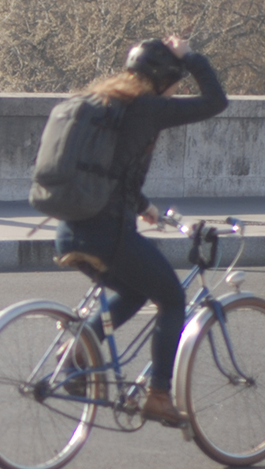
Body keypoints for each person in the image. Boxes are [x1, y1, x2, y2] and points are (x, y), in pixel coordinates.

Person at [54, 35, 227, 427]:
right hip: (107, 234)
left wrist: (144, 206)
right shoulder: (149, 109)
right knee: (170, 298)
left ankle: (77, 354)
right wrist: (191, 57)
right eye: (175, 82)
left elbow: (110, 175)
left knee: (134, 291)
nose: (176, 91)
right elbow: (216, 102)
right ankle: (159, 396)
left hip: (69, 229)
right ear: (162, 78)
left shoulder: (105, 105)